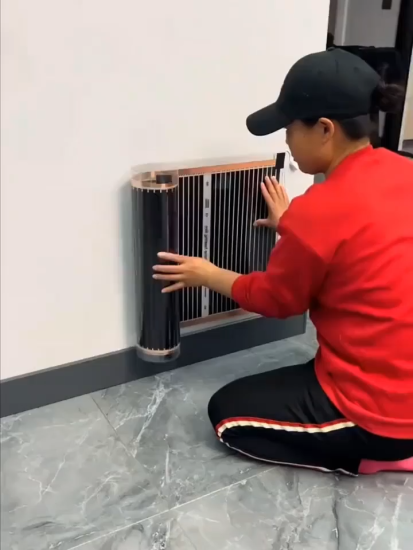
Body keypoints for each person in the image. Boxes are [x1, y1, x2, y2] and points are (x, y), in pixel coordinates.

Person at [153, 49, 413, 476]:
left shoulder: (321, 210)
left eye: (290, 129)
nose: (287, 143)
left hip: (382, 416)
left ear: (325, 129)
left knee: (228, 417)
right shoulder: (403, 170)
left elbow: (278, 301)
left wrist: (207, 273)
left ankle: (372, 458)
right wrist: (295, 226)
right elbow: (361, 238)